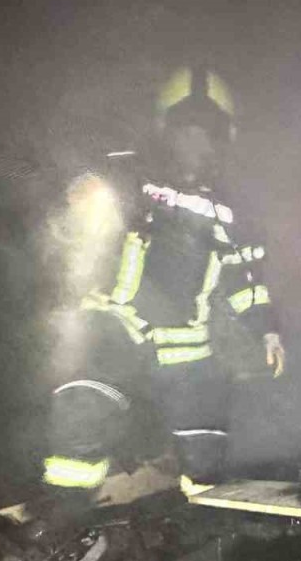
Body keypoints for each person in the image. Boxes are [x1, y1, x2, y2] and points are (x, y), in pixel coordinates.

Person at [42, 66, 285, 487]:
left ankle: (206, 511)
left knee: (206, 447)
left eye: (206, 129)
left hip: (188, 342)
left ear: (224, 136)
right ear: (164, 128)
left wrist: (267, 331)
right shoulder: (129, 172)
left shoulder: (232, 208)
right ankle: (63, 510)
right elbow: (79, 185)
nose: (195, 139)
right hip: (116, 322)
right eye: (185, 126)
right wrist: (84, 188)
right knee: (82, 418)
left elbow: (246, 280)